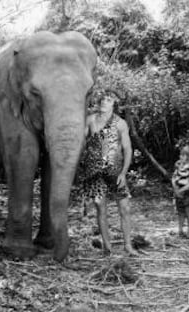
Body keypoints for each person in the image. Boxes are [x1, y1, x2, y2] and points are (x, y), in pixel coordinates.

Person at [79, 89, 137, 256]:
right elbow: (81, 143)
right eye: (103, 99)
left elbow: (127, 149)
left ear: (114, 104)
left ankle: (128, 246)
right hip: (94, 172)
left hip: (115, 171)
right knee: (100, 208)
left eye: (109, 100)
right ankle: (107, 247)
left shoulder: (120, 123)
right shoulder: (90, 120)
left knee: (124, 208)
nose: (105, 102)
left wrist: (123, 173)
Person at [171, 146, 189, 239]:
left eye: (183, 155)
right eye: (180, 155)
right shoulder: (179, 165)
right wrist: (175, 188)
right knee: (180, 212)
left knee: (188, 212)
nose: (181, 157)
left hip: (187, 192)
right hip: (178, 191)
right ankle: (180, 230)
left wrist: (181, 190)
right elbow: (173, 177)